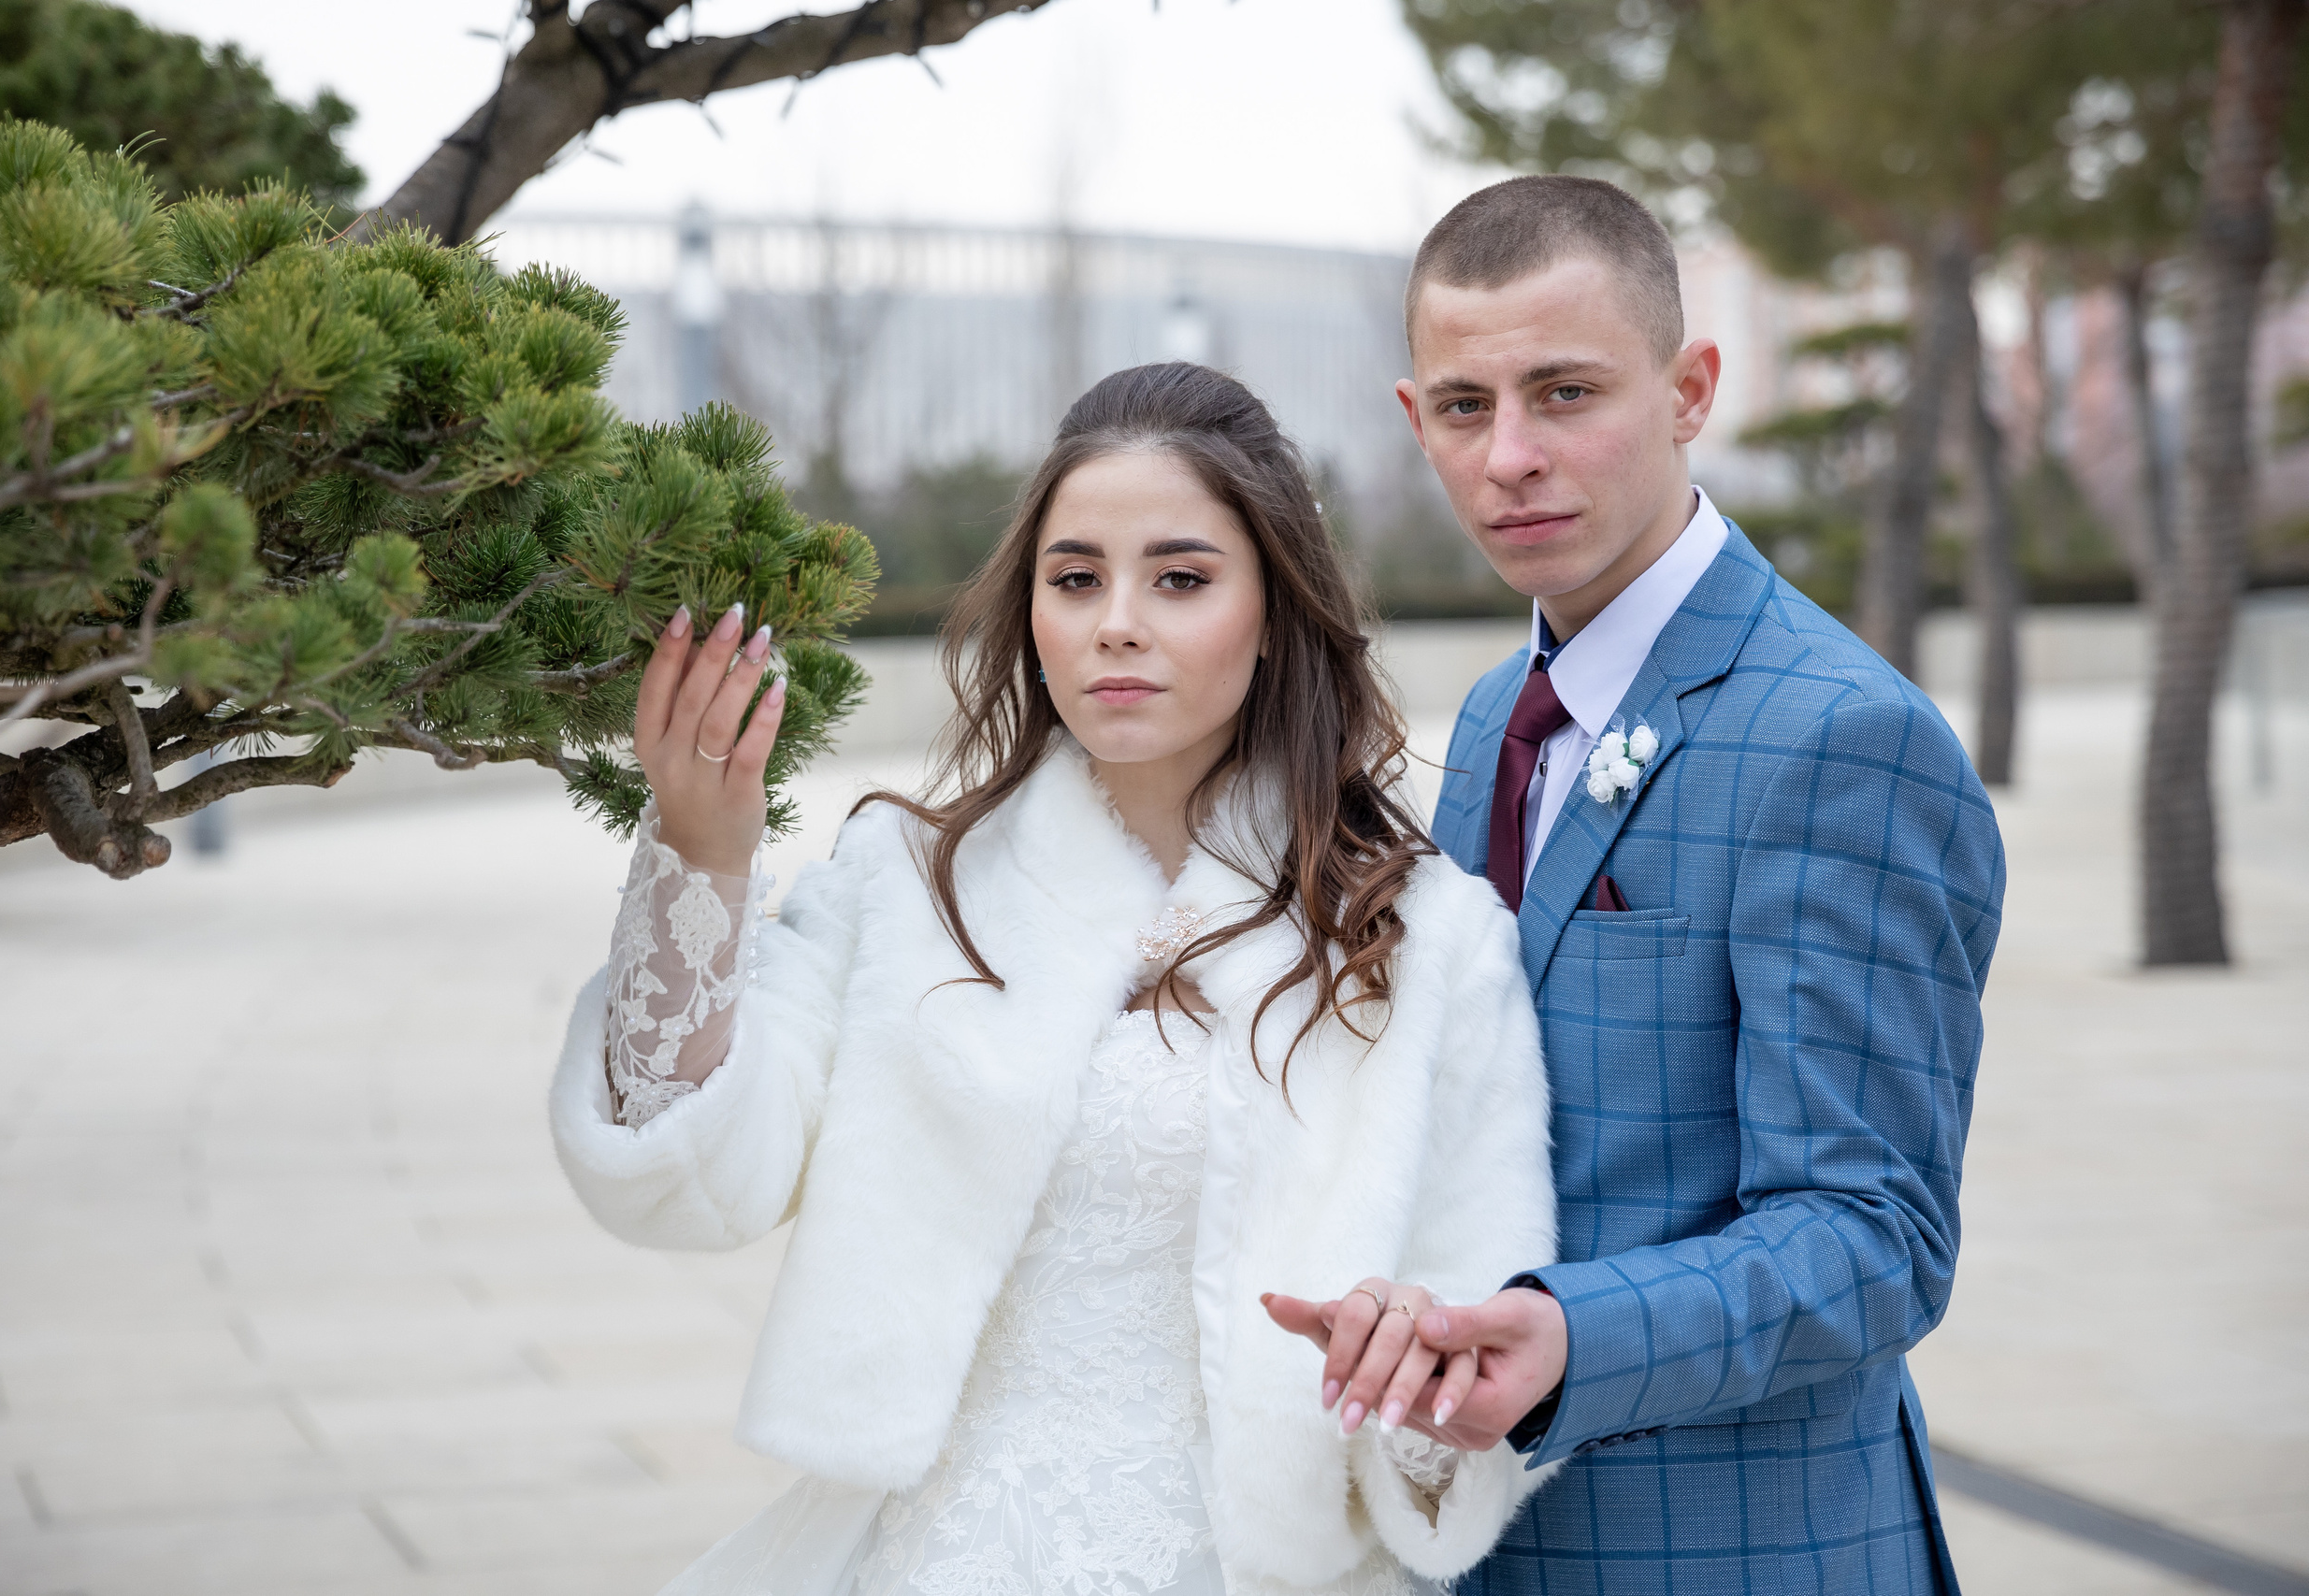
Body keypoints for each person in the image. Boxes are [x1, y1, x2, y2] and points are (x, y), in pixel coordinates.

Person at [549, 363, 1561, 1595]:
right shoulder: (904, 881)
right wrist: (703, 856)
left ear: (1275, 609)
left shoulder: (1427, 938)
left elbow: (1476, 1354)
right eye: (1075, 579)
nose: (1115, 623)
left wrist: (1413, 1363)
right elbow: (692, 1170)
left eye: (1180, 579)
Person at [1264, 177, 2007, 1594]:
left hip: (1735, 1553)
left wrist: (1573, 1336)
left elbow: (1876, 1238)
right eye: (1467, 407)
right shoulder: (1498, 712)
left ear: (1690, 391)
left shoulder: (1843, 739)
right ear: (1416, 420)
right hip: (1480, 1543)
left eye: (1566, 393)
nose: (1512, 457)